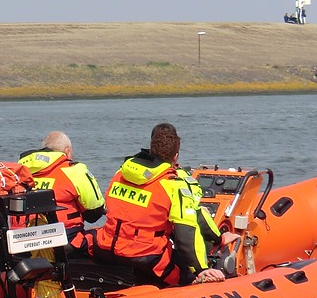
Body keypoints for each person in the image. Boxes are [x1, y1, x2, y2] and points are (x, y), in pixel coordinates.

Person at [90, 122, 226, 286]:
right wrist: (201, 269)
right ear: (175, 156)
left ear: (151, 148)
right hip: (145, 257)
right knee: (188, 275)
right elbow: (185, 236)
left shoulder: (121, 173)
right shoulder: (173, 184)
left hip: (105, 247)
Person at [18, 131, 106, 242]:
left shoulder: (20, 171)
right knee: (100, 237)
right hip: (63, 241)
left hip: (22, 241)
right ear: (67, 151)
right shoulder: (74, 171)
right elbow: (94, 214)